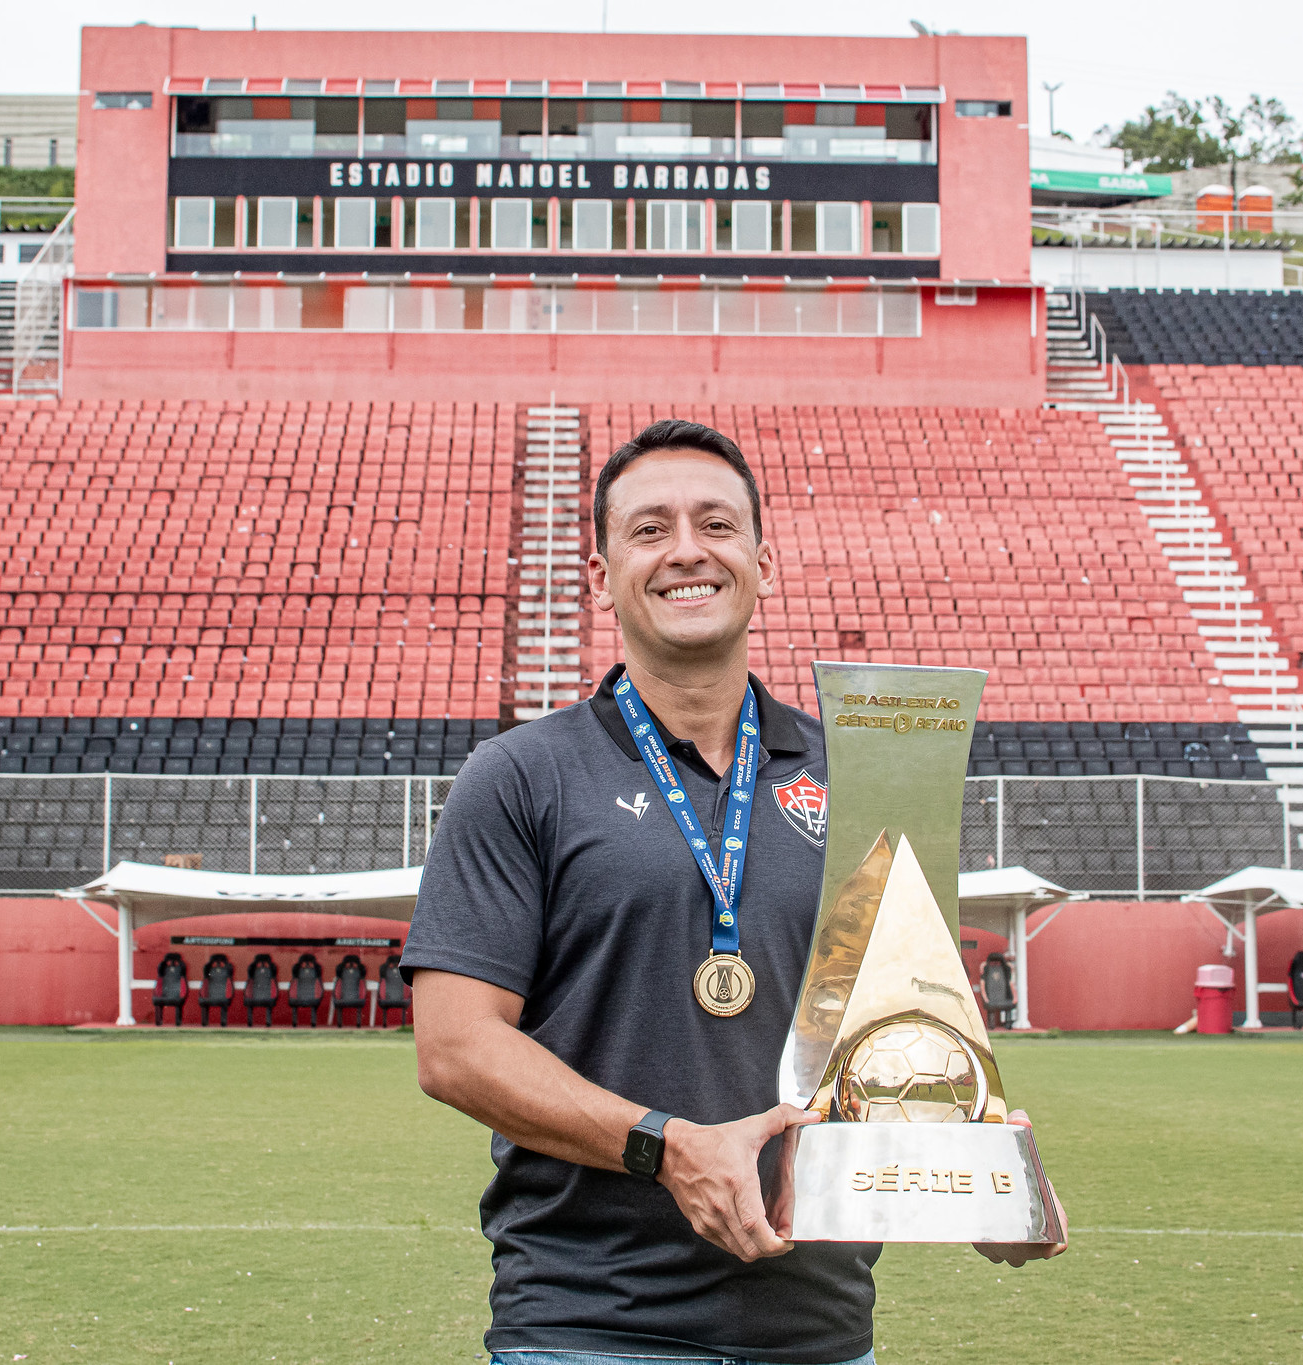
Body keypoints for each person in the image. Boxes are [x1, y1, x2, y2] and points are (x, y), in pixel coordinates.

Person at [402, 420, 1059, 1365]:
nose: (686, 551)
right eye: (649, 528)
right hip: (589, 1326)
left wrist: (978, 1172)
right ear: (600, 574)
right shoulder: (519, 776)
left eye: (715, 523)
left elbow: (901, 1028)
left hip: (819, 1331)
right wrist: (665, 1146)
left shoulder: (862, 773)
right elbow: (455, 1048)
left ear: (762, 560)